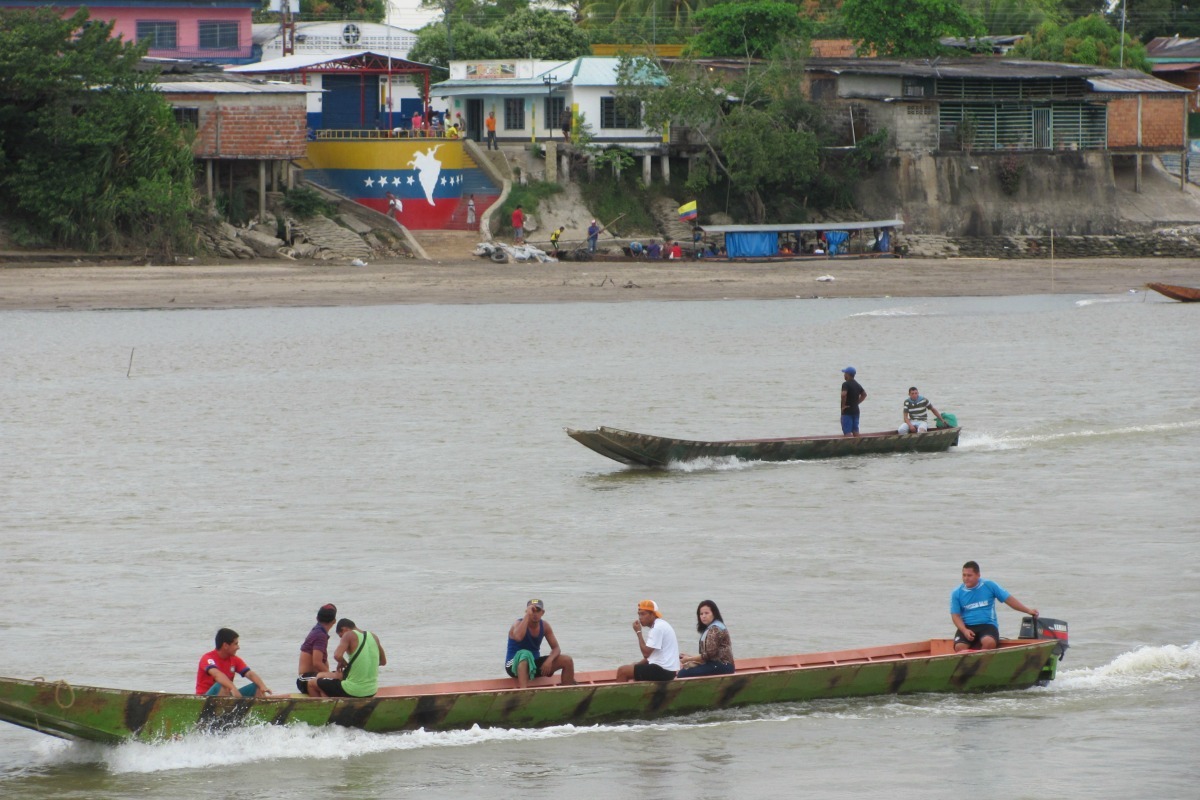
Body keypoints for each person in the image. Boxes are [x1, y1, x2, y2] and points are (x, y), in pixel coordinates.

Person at [951, 561, 1039, 652]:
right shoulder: (957, 592)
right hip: (967, 626)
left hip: (987, 625)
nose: (966, 578)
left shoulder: (989, 585)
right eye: (964, 575)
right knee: (959, 647)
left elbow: (1009, 600)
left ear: (978, 575)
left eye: (969, 575)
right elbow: (955, 616)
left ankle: (982, 663)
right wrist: (964, 630)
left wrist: (1028, 610)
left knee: (989, 642)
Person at [504, 599, 576, 688]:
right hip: (513, 664)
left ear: (542, 612)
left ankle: (567, 691)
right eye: (532, 611)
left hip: (533, 665)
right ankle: (524, 693)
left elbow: (556, 648)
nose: (535, 614)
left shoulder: (545, 626)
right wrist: (527, 615)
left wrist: (549, 661)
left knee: (567, 660)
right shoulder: (518, 624)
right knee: (525, 654)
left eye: (538, 611)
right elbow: (518, 637)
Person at [312, 618, 387, 698]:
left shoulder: (349, 634)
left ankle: (324, 708)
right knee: (329, 684)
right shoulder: (374, 636)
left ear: (344, 629)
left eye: (341, 636)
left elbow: (337, 655)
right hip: (372, 690)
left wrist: (343, 663)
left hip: (353, 690)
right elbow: (383, 662)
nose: (342, 638)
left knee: (313, 683)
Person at [196, 627, 272, 698]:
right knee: (223, 685)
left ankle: (257, 711)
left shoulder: (234, 660)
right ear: (225, 645)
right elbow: (217, 675)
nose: (238, 647)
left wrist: (262, 686)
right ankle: (224, 711)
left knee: (256, 686)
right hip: (204, 699)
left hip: (227, 696)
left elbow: (249, 674)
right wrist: (233, 688)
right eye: (235, 644)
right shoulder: (207, 658)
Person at [616, 600, 679, 682]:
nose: (640, 617)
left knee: (622, 671)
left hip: (664, 670)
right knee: (634, 666)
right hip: (668, 670)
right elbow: (651, 656)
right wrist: (637, 665)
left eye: (643, 614)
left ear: (652, 614)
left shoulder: (657, 628)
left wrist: (638, 632)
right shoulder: (660, 625)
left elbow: (646, 654)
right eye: (639, 614)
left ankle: (619, 694)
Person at [677, 600, 735, 678]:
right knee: (685, 669)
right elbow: (708, 656)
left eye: (706, 613)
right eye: (701, 614)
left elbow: (709, 655)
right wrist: (689, 657)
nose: (703, 616)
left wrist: (688, 659)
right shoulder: (710, 628)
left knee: (682, 673)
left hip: (723, 666)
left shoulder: (715, 629)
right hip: (715, 664)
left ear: (714, 613)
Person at [297, 603, 337, 695]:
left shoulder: (318, 631)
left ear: (317, 618)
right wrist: (331, 675)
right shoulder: (320, 635)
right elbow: (317, 663)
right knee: (336, 678)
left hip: (311, 676)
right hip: (305, 678)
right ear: (334, 621)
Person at [840, 366, 866, 437]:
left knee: (847, 432)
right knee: (855, 431)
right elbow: (864, 394)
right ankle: (857, 445)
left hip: (847, 411)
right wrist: (856, 403)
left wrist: (843, 406)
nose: (844, 375)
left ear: (848, 374)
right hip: (856, 410)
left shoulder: (845, 384)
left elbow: (843, 394)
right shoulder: (857, 384)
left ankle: (849, 445)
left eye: (845, 373)